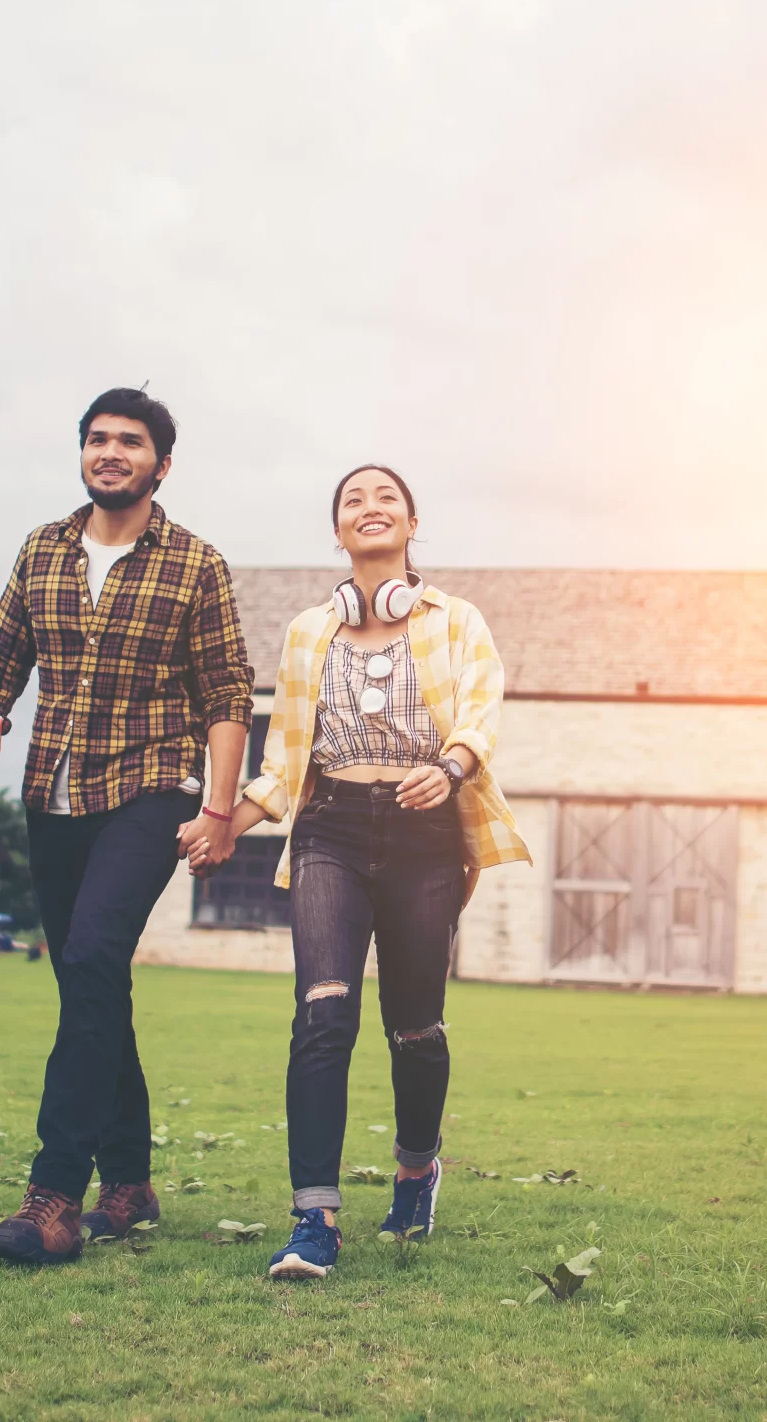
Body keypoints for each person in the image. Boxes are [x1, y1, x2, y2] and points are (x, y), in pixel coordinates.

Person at [0, 385, 254, 1266]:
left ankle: (54, 1194)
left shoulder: (195, 563)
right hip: (53, 789)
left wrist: (218, 809)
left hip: (151, 786)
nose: (110, 451)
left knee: (89, 959)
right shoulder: (42, 549)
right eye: (96, 439)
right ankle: (131, 1182)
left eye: (129, 440)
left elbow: (228, 691)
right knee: (89, 982)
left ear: (161, 462)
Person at [206, 465, 530, 1280]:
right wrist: (220, 823)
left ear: (412, 523)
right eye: (353, 500)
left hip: (427, 831)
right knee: (321, 1016)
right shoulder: (310, 633)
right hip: (331, 832)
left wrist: (450, 768)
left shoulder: (457, 621)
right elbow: (283, 761)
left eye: (386, 497)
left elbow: (483, 710)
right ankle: (313, 1218)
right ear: (339, 532)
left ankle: (417, 1170)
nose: (370, 507)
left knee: (414, 1026)